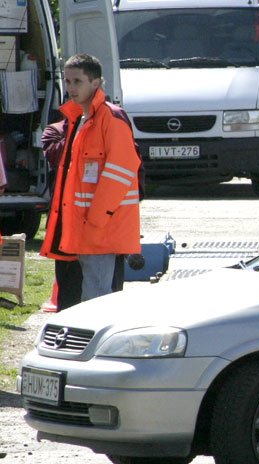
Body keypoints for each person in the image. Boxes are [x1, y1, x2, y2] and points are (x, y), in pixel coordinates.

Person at [40, 54, 141, 310]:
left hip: (100, 225)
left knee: (96, 300)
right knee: (85, 299)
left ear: (96, 82)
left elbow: (121, 170)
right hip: (83, 225)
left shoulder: (110, 118)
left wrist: (97, 216)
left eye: (78, 81)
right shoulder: (79, 120)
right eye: (68, 81)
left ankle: (95, 348)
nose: (71, 88)